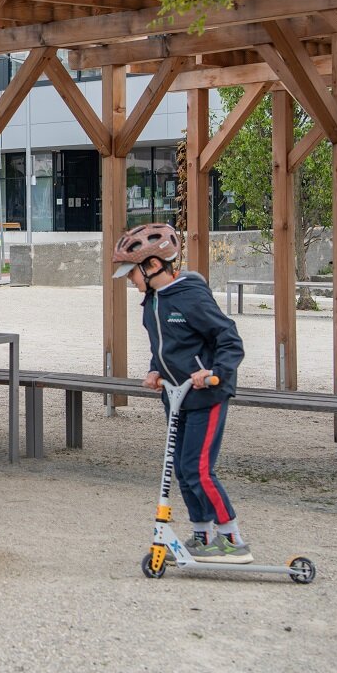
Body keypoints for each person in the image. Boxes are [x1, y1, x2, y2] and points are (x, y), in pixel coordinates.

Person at [111, 222, 250, 563]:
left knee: (199, 468)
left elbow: (229, 340)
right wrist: (155, 369)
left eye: (133, 273)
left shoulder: (190, 296)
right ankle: (202, 534)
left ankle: (231, 537)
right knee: (182, 468)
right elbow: (164, 345)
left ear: (154, 265)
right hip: (176, 395)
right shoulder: (152, 301)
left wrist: (214, 373)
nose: (131, 280)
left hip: (207, 395)